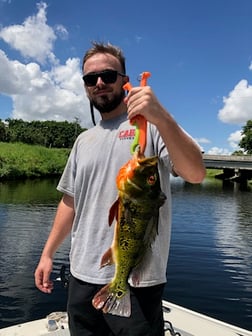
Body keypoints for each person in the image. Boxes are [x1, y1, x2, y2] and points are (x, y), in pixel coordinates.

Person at [34, 42, 206, 336]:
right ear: (86, 87)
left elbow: (196, 173)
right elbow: (70, 201)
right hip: (81, 276)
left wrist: (161, 116)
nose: (99, 83)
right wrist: (48, 253)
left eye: (108, 75)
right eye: (90, 79)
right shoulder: (83, 141)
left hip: (136, 282)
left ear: (125, 80)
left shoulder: (152, 126)